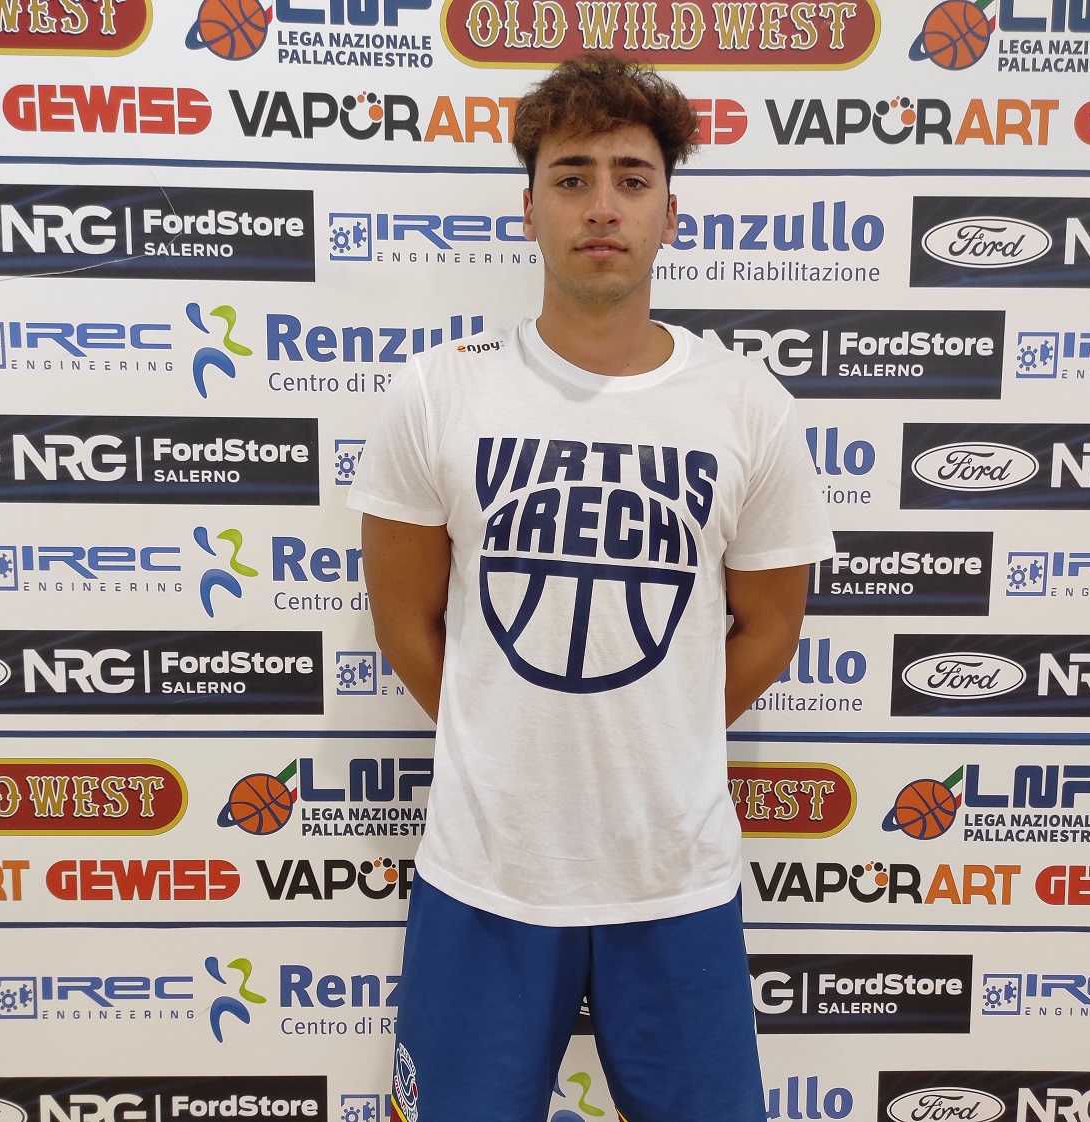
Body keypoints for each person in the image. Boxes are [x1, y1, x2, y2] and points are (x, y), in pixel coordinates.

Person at [346, 53, 834, 1122]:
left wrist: (655, 726)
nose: (602, 205)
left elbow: (770, 628)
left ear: (670, 214)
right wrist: (511, 734)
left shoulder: (747, 404)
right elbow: (405, 620)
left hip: (673, 872)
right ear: (529, 210)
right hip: (487, 869)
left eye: (631, 178)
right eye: (571, 178)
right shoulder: (440, 392)